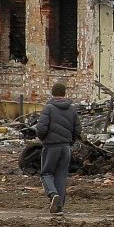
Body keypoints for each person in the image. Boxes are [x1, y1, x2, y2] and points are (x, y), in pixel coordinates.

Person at [36, 82, 81, 214]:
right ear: (64, 93)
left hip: (51, 146)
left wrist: (44, 139)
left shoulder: (48, 108)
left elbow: (41, 129)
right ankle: (59, 206)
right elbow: (77, 129)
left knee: (46, 173)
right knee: (61, 176)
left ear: (53, 93)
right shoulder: (72, 109)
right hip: (66, 147)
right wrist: (70, 141)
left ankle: (52, 194)